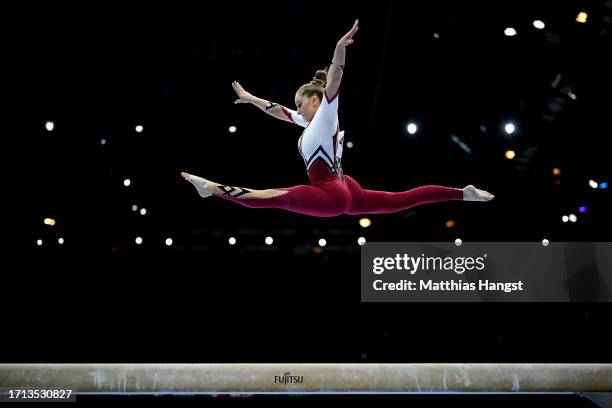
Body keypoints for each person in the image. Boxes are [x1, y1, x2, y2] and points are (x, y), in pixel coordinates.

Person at [182, 20, 493, 218]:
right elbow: (278, 111)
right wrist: (252, 100)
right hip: (347, 188)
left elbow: (334, 79)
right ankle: (463, 194)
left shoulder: (327, 112)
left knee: (276, 197)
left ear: (315, 100)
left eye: (300, 103)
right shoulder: (311, 123)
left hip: (330, 193)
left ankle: (213, 189)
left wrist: (338, 52)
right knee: (402, 200)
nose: (297, 110)